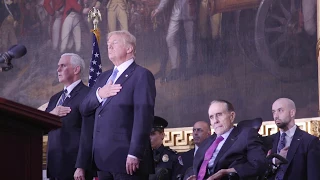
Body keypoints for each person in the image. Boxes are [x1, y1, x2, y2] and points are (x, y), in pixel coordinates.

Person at [80, 30, 156, 180]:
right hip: (102, 160)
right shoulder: (103, 78)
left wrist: (135, 152)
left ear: (129, 48)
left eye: (114, 43)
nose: (109, 46)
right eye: (108, 44)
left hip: (127, 159)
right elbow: (84, 108)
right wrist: (99, 94)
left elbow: (143, 116)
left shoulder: (141, 75)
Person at [187, 100, 267, 180]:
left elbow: (259, 164)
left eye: (219, 115)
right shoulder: (207, 142)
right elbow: (197, 167)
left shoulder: (246, 135)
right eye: (211, 117)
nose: (215, 121)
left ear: (231, 116)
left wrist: (228, 172)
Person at [45, 53, 94, 180]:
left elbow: (88, 133)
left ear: (76, 69)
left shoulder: (88, 95)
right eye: (58, 66)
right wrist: (52, 114)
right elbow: (43, 126)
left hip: (74, 168)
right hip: (54, 167)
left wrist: (81, 166)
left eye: (63, 66)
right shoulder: (55, 98)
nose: (58, 69)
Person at [268, 98, 320, 180]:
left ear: (292, 113)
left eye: (280, 110)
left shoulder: (309, 142)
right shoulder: (268, 141)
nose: (276, 116)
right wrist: (275, 161)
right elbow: (261, 172)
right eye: (273, 112)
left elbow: (313, 175)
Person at [151, 0, 196, 80]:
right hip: (176, 14)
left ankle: (189, 67)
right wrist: (158, 9)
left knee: (189, 40)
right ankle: (174, 68)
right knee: (170, 38)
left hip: (189, 11)